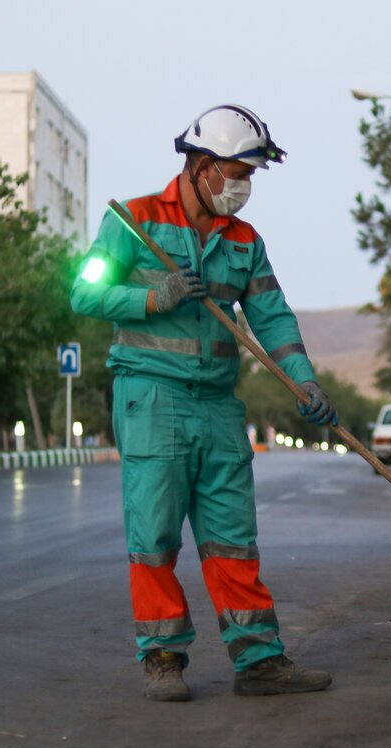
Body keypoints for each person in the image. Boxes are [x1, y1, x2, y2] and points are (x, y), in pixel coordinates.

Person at [70, 104, 337, 701]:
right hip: (152, 396)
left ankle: (260, 660)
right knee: (155, 534)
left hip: (218, 404)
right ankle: (163, 657)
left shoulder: (245, 242)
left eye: (250, 176)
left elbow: (273, 319)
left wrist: (304, 381)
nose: (243, 186)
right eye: (237, 172)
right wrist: (151, 298)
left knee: (231, 539)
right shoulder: (134, 221)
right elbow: (84, 292)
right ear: (201, 166)